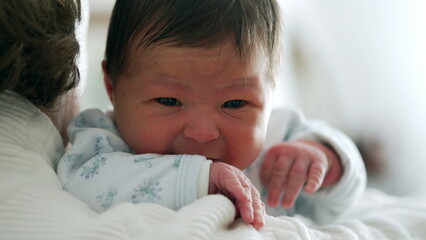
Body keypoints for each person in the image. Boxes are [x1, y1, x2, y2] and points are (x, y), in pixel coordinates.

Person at [57, 0, 366, 230]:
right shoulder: (105, 141)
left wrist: (327, 161)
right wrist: (199, 177)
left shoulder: (280, 140)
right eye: (168, 100)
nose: (203, 132)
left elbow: (337, 206)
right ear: (113, 88)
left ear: (269, 93)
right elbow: (81, 182)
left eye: (234, 104)